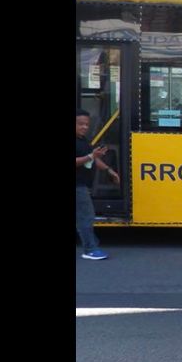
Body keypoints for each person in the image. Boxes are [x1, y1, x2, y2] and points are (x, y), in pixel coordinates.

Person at [76, 109, 121, 260]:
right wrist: (91, 155)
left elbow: (94, 160)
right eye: (80, 124)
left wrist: (109, 170)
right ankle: (90, 249)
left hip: (82, 184)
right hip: (78, 186)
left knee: (83, 216)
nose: (84, 127)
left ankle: (91, 243)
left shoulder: (83, 140)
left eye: (87, 124)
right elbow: (88, 158)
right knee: (86, 216)